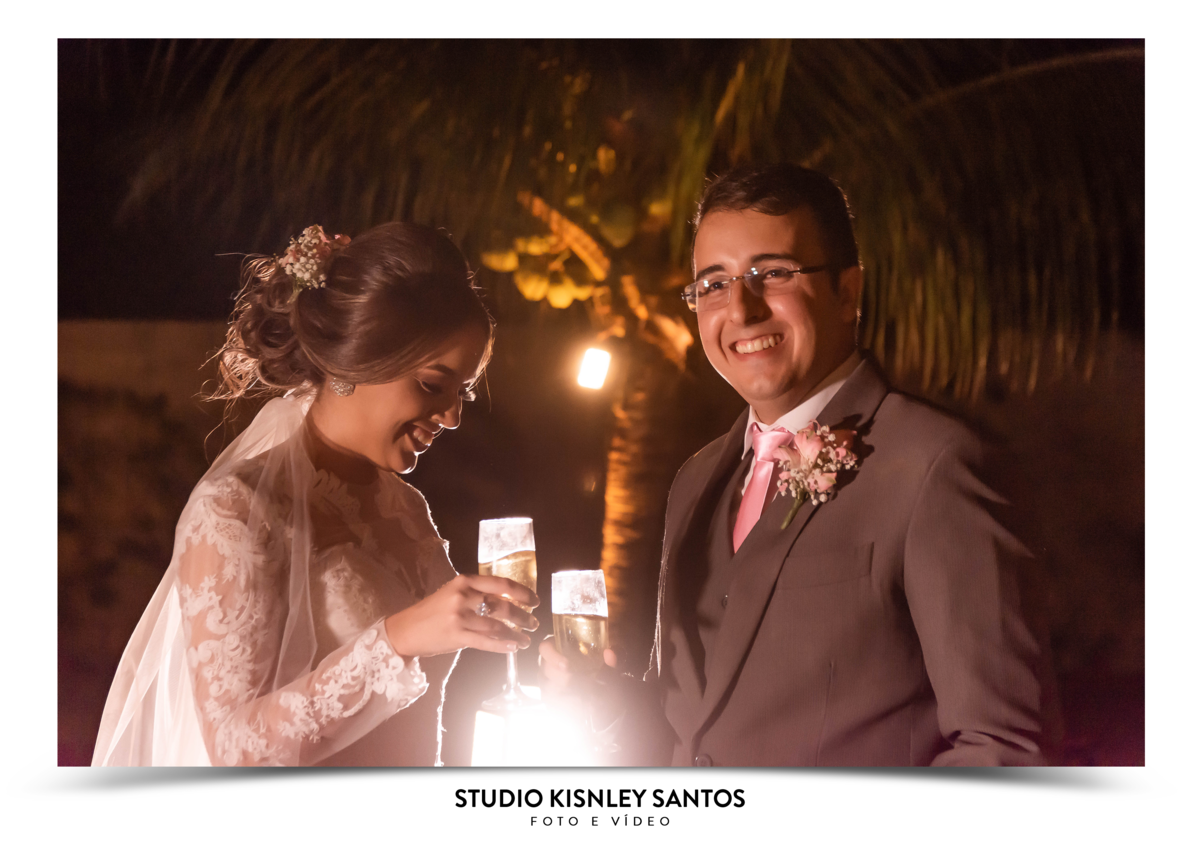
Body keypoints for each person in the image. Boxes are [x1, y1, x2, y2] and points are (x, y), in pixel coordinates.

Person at [542, 163, 1058, 766]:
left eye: (773, 274)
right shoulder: (695, 480)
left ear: (847, 292)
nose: (741, 309)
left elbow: (1004, 749)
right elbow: (697, 727)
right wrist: (606, 702)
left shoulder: (935, 465)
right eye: (714, 283)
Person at [93, 222, 538, 766]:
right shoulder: (236, 509)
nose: (452, 417)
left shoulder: (405, 509)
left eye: (461, 392)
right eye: (431, 384)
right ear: (354, 360)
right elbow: (235, 751)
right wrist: (396, 641)